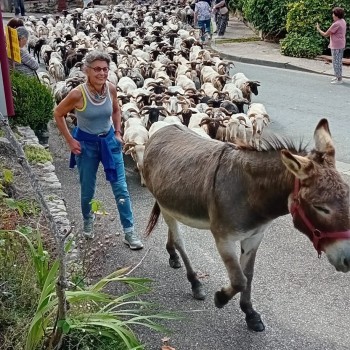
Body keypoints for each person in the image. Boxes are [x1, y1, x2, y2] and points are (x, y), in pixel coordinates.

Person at [53, 50, 144, 250]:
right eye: (97, 69)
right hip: (86, 146)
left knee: (121, 188)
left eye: (105, 69)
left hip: (109, 142)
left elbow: (115, 110)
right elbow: (58, 113)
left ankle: (129, 232)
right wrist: (70, 140)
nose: (102, 73)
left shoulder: (111, 88)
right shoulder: (77, 93)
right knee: (88, 189)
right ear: (87, 70)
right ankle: (88, 221)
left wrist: (118, 132)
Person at [316, 7, 346, 85]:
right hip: (341, 44)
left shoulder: (336, 24)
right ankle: (338, 76)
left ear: (336, 15)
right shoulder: (343, 21)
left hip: (336, 45)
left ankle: (339, 79)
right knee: (338, 61)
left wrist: (318, 29)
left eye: (333, 14)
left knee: (336, 62)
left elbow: (325, 34)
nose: (332, 15)